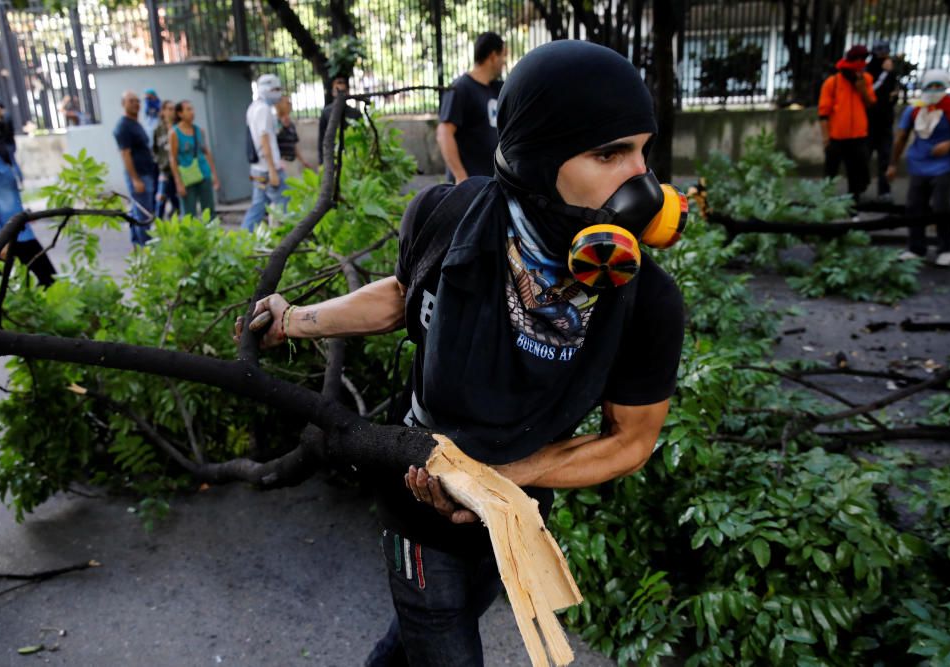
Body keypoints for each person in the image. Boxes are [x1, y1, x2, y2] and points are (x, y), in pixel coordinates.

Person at [238, 40, 685, 665]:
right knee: (439, 630)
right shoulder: (447, 215)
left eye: (643, 150)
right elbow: (400, 296)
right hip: (415, 490)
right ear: (537, 157)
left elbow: (629, 441)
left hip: (517, 507)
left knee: (420, 639)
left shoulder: (646, 301)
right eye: (609, 153)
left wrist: (498, 482)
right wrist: (295, 320)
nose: (643, 182)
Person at [0, 97, 56, 287]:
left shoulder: (3, 151)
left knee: (49, 281)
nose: (1, 122)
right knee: (13, 292)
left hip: (22, 230)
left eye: (1, 117)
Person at [886, 69, 950, 267]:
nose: (934, 90)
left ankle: (945, 248)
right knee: (915, 208)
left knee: (941, 207)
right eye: (930, 86)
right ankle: (916, 248)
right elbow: (901, 137)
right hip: (918, 165)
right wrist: (893, 164)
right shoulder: (914, 110)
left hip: (945, 166)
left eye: (939, 86)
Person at [436, 32, 507, 183]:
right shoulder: (460, 88)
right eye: (503, 56)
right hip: (469, 184)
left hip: (492, 181)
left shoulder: (497, 88)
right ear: (493, 56)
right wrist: (460, 175)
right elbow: (444, 133)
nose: (504, 62)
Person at [818, 45, 876, 205]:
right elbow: (823, 113)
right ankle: (825, 206)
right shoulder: (832, 83)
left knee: (856, 175)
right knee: (830, 174)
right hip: (836, 138)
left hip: (858, 137)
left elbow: (870, 103)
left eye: (863, 60)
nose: (861, 63)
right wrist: (825, 138)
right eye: (858, 59)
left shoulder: (866, 80)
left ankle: (853, 208)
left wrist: (862, 88)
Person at [242, 74, 287, 232]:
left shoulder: (253, 107)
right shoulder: (263, 109)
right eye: (275, 89)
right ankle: (289, 240)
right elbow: (264, 140)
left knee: (258, 206)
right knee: (284, 204)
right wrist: (273, 170)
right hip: (268, 169)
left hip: (257, 169)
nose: (278, 93)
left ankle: (243, 237)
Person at [113, 90, 158, 246]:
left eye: (137, 101)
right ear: (123, 104)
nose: (135, 104)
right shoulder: (123, 126)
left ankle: (138, 245)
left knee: (138, 212)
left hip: (146, 173)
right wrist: (135, 179)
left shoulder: (135, 123)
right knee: (143, 215)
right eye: (131, 101)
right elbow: (125, 154)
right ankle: (146, 246)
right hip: (139, 176)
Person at [169, 100, 219, 220]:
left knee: (209, 211)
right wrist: (178, 183)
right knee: (189, 214)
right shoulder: (174, 133)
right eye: (188, 109)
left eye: (192, 109)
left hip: (204, 174)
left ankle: (211, 236)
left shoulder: (199, 131)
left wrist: (214, 175)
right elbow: (173, 158)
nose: (192, 112)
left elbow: (206, 153)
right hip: (187, 178)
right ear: (180, 113)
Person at [866, 41, 899, 202]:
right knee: (864, 157)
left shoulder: (890, 71)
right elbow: (872, 91)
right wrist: (886, 73)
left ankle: (884, 190)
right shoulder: (869, 70)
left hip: (885, 122)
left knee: (885, 158)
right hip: (869, 122)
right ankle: (859, 188)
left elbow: (893, 94)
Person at [317, 76, 362, 166]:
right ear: (333, 92)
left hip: (351, 155)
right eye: (338, 92)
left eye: (343, 92)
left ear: (347, 92)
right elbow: (322, 137)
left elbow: (361, 135)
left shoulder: (355, 113)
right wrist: (321, 161)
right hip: (333, 155)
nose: (341, 95)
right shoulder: (326, 112)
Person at [152, 99, 180, 219]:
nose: (171, 112)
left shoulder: (179, 128)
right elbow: (154, 150)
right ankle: (158, 222)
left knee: (175, 197)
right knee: (161, 196)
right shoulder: (158, 129)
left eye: (173, 109)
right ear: (163, 111)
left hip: (179, 169)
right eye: (168, 109)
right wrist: (160, 162)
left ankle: (175, 217)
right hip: (165, 169)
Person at [275, 95, 311, 176]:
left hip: (292, 162)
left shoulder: (291, 125)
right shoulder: (275, 123)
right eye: (287, 103)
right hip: (281, 163)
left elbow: (294, 146)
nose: (290, 104)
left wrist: (303, 161)